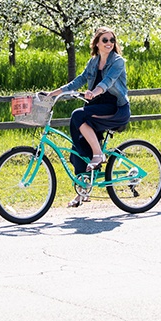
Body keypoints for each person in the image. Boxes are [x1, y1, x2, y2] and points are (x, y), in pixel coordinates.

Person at [50, 27, 131, 206]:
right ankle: (83, 191)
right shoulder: (93, 62)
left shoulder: (118, 61)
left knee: (78, 114)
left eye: (112, 40)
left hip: (116, 109)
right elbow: (79, 80)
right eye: (105, 40)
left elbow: (108, 81)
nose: (109, 43)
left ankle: (98, 154)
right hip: (97, 107)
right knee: (78, 148)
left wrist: (94, 92)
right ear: (96, 43)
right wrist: (54, 93)